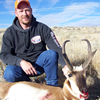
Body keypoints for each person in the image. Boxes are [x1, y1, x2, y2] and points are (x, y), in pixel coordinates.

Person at [0, 0, 67, 86]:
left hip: (39, 66)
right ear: (16, 13)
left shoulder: (43, 28)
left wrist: (65, 65)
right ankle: (28, 83)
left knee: (51, 54)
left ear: (31, 10)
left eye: (27, 10)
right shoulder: (9, 33)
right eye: (21, 11)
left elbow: (56, 48)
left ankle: (52, 86)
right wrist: (21, 62)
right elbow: (4, 55)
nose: (24, 14)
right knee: (9, 73)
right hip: (21, 68)